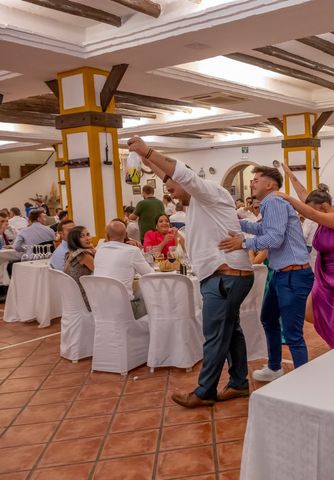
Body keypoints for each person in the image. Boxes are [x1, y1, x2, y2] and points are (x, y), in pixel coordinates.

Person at [128, 136, 254, 409]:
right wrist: (146, 160)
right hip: (224, 275)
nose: (170, 192)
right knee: (230, 331)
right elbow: (170, 175)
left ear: (185, 182)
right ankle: (239, 383)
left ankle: (205, 391)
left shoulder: (208, 192)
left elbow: (177, 172)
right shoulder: (197, 202)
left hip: (226, 276)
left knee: (215, 335)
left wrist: (146, 150)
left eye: (172, 187)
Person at [220, 165, 313, 381]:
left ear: (270, 184)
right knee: (269, 319)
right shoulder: (270, 204)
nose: (252, 183)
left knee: (292, 334)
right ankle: (274, 367)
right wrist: (234, 222)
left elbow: (274, 239)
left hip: (293, 275)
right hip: (282, 274)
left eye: (256, 179)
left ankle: (304, 382)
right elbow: (264, 229)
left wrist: (242, 242)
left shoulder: (274, 201)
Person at [278, 163, 334, 348]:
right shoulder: (322, 213)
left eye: (314, 210)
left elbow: (311, 213)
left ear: (324, 206)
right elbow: (305, 197)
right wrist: (290, 175)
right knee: (310, 313)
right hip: (324, 277)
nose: (310, 215)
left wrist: (285, 197)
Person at [94, 220, 154, 319]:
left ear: (107, 236)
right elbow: (150, 275)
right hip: (124, 310)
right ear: (126, 235)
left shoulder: (100, 250)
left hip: (100, 309)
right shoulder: (133, 251)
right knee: (148, 296)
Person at [63, 226, 95, 310]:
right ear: (75, 240)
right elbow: (100, 272)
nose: (87, 238)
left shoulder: (70, 253)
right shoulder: (83, 255)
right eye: (82, 236)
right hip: (84, 298)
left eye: (87, 234)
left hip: (72, 297)